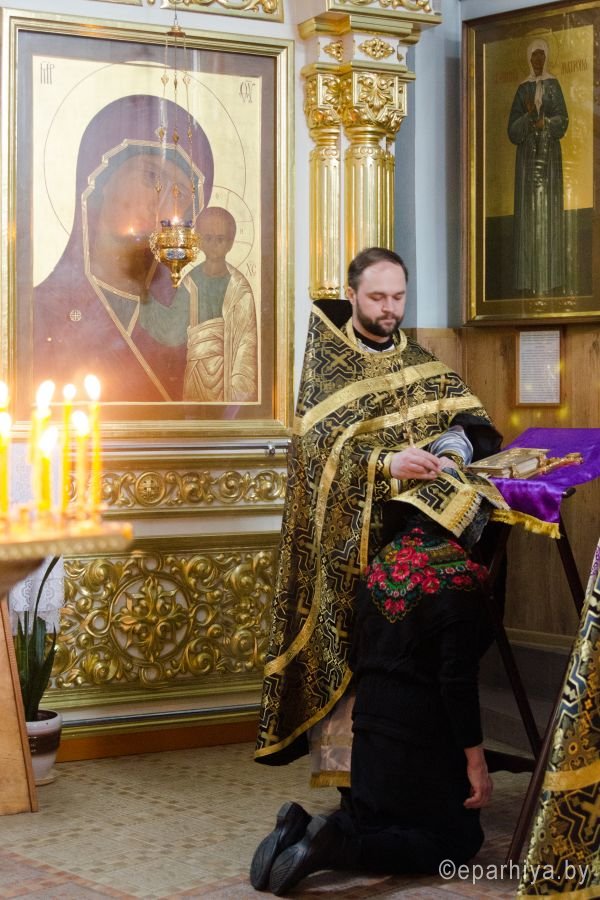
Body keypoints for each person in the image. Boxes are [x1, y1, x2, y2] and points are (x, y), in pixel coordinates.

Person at [251, 247, 508, 890]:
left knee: (421, 682)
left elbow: (470, 420)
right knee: (362, 680)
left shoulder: (417, 360)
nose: (390, 310)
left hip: (417, 565)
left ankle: (354, 819)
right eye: (377, 298)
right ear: (353, 295)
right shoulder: (327, 369)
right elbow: (317, 457)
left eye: (398, 298)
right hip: (355, 566)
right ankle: (355, 812)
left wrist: (450, 448)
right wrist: (386, 465)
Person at [30, 94, 214, 402]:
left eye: (181, 194)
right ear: (101, 177)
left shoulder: (187, 326)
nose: (163, 203)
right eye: (151, 176)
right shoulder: (38, 310)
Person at [177, 206, 258, 402]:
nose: (214, 245)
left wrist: (239, 388)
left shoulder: (240, 288)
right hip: (195, 375)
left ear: (230, 243)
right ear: (199, 241)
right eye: (208, 238)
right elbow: (172, 331)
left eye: (220, 239)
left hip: (228, 376)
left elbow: (246, 341)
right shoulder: (189, 282)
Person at [507, 39, 569, 296]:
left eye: (542, 55)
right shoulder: (523, 89)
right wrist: (528, 118)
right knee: (529, 215)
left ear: (547, 58)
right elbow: (512, 130)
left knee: (549, 213)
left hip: (550, 157)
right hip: (527, 159)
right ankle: (527, 282)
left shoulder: (554, 85)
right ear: (529, 58)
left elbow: (563, 119)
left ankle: (552, 280)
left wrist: (547, 124)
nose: (538, 60)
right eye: (534, 56)